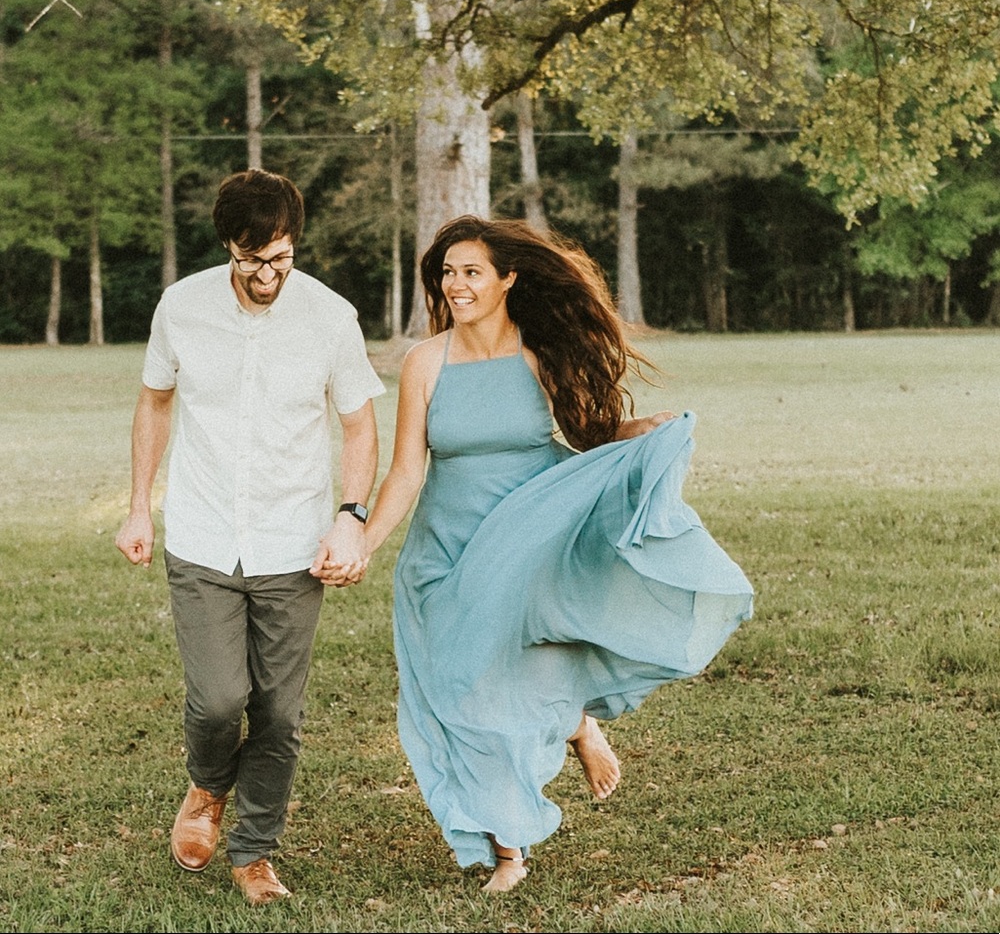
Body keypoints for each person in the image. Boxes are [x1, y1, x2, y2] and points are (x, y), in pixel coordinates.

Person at [314, 215, 754, 892]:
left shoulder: (536, 355)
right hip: (448, 547)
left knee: (491, 688)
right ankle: (576, 726)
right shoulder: (425, 363)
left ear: (507, 279)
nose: (455, 285)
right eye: (447, 272)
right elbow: (405, 471)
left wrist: (643, 433)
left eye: (471, 272)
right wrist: (365, 543)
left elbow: (591, 436)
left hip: (527, 532)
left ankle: (511, 848)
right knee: (455, 687)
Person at [115, 169, 384, 905]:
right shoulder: (183, 307)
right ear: (228, 246)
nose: (267, 275)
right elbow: (155, 403)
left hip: (293, 542)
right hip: (201, 535)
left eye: (281, 259)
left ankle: (254, 851)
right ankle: (206, 788)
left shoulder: (329, 317)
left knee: (278, 713)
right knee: (216, 701)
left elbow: (359, 425)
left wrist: (350, 516)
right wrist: (140, 505)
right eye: (251, 259)